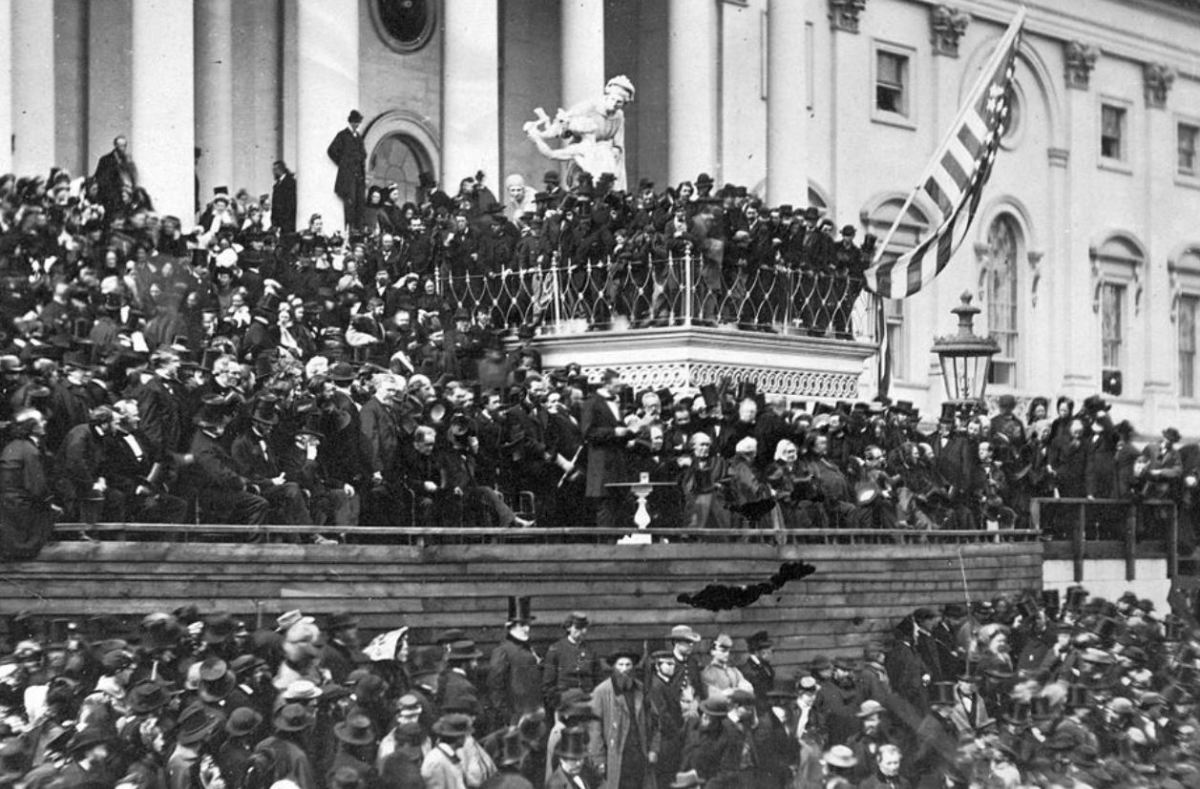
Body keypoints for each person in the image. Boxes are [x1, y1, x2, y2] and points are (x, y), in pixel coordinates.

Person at [588, 646, 657, 789]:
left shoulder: (640, 689)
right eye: (620, 665)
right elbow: (594, 730)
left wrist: (653, 749)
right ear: (613, 667)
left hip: (639, 755)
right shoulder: (602, 692)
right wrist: (599, 760)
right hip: (615, 757)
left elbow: (655, 722)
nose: (624, 669)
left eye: (628, 665)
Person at [327, 110, 368, 230]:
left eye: (358, 123)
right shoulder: (343, 135)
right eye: (355, 122)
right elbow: (331, 151)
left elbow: (363, 154)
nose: (356, 125)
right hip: (348, 177)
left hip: (358, 176)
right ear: (350, 122)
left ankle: (358, 228)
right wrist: (343, 163)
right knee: (350, 202)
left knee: (359, 203)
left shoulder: (358, 138)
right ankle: (349, 228)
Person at [272, 160, 298, 235]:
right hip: (280, 223)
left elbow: (291, 203)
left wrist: (284, 221)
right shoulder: (277, 184)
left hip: (287, 222)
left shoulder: (290, 183)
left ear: (279, 170)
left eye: (274, 170)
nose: (273, 173)